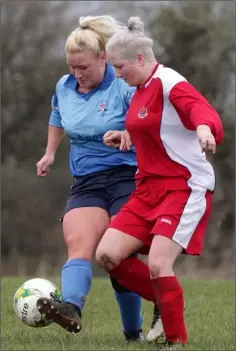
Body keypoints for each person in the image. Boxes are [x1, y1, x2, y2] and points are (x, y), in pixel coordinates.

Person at [96, 16, 224, 347]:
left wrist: (204, 128)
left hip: (182, 187)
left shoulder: (170, 82)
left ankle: (175, 339)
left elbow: (199, 110)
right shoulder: (139, 87)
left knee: (158, 263)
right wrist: (126, 135)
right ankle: (168, 301)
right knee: (108, 255)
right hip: (147, 189)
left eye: (119, 66)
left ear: (140, 58)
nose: (117, 74)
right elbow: (157, 126)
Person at [35, 15, 163, 342]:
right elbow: (56, 116)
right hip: (87, 181)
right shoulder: (64, 87)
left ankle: (137, 328)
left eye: (84, 67)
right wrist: (50, 152)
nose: (77, 74)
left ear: (103, 58)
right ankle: (70, 309)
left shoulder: (122, 84)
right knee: (78, 244)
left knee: (117, 255)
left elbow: (146, 120)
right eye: (72, 67)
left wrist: (126, 133)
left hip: (128, 177)